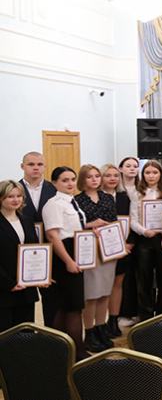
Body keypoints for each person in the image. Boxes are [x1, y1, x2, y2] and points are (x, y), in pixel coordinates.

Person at [42, 166, 89, 360]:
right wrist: (69, 261)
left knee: (65, 306)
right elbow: (52, 235)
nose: (70, 183)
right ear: (54, 183)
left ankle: (59, 351)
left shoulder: (72, 201)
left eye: (72, 179)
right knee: (74, 307)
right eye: (64, 180)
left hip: (75, 251)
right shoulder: (53, 204)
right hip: (64, 256)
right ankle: (79, 352)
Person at [74, 164, 119, 352]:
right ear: (82, 179)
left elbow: (115, 221)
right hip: (89, 251)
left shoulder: (108, 197)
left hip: (108, 248)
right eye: (89, 177)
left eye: (96, 176)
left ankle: (101, 327)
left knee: (105, 292)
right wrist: (91, 225)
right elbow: (73, 226)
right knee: (92, 294)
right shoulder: (76, 200)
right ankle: (89, 331)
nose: (94, 180)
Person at [19, 152, 57, 326]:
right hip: (22, 250)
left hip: (51, 248)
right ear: (22, 166)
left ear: (45, 167)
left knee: (52, 299)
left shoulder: (54, 189)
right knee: (24, 299)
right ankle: (25, 336)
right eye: (31, 164)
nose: (36, 168)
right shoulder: (14, 190)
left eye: (40, 164)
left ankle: (51, 336)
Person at [129, 160, 162, 322]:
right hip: (144, 240)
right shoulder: (137, 194)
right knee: (144, 279)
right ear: (143, 175)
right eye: (147, 173)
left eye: (155, 172)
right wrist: (144, 231)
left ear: (161, 174)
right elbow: (133, 220)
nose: (151, 176)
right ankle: (146, 317)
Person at [0, 180, 41, 332]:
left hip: (26, 289)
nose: (16, 200)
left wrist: (40, 276)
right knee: (6, 334)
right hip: (4, 289)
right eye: (10, 196)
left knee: (26, 333)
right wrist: (8, 283)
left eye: (19, 196)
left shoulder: (26, 221)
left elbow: (34, 251)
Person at [99, 163, 133, 338]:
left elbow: (132, 220)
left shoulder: (124, 197)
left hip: (123, 248)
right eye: (108, 175)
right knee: (103, 286)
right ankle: (101, 322)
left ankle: (114, 319)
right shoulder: (95, 197)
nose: (112, 179)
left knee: (118, 284)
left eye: (115, 176)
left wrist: (129, 244)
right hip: (101, 250)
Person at [115, 157, 141, 328]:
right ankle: (124, 312)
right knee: (125, 278)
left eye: (135, 166)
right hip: (122, 240)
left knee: (141, 277)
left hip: (141, 237)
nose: (132, 169)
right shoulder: (116, 192)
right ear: (121, 168)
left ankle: (141, 311)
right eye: (128, 166)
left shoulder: (142, 189)